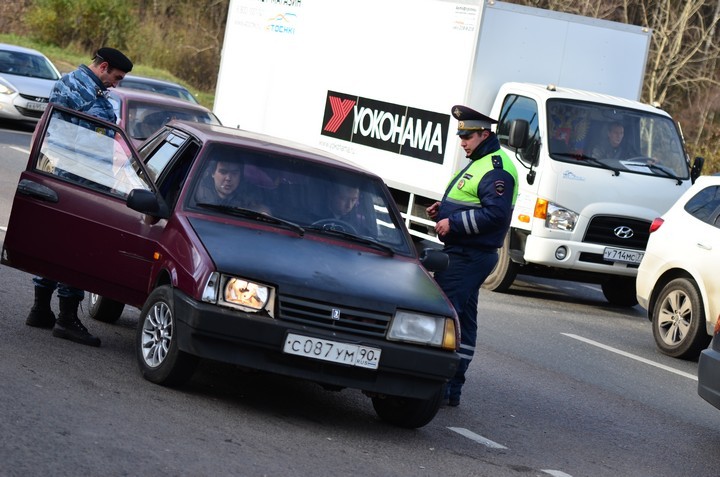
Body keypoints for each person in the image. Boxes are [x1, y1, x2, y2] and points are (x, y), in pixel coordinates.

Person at [25, 47, 133, 347]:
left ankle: (40, 308)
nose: (116, 83)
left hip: (58, 175)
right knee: (74, 249)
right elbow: (85, 143)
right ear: (104, 67)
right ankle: (67, 318)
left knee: (54, 245)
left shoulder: (70, 83)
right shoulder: (86, 94)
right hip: (79, 182)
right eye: (116, 77)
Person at [426, 105, 519, 407]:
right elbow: (475, 201)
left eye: (467, 136)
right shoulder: (479, 160)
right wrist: (445, 210)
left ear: (485, 133)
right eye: (461, 135)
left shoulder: (496, 166)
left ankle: (437, 385)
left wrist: (453, 223)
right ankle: (451, 387)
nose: (462, 141)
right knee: (463, 318)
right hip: (465, 251)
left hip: (470, 254)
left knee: (446, 315)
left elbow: (495, 215)